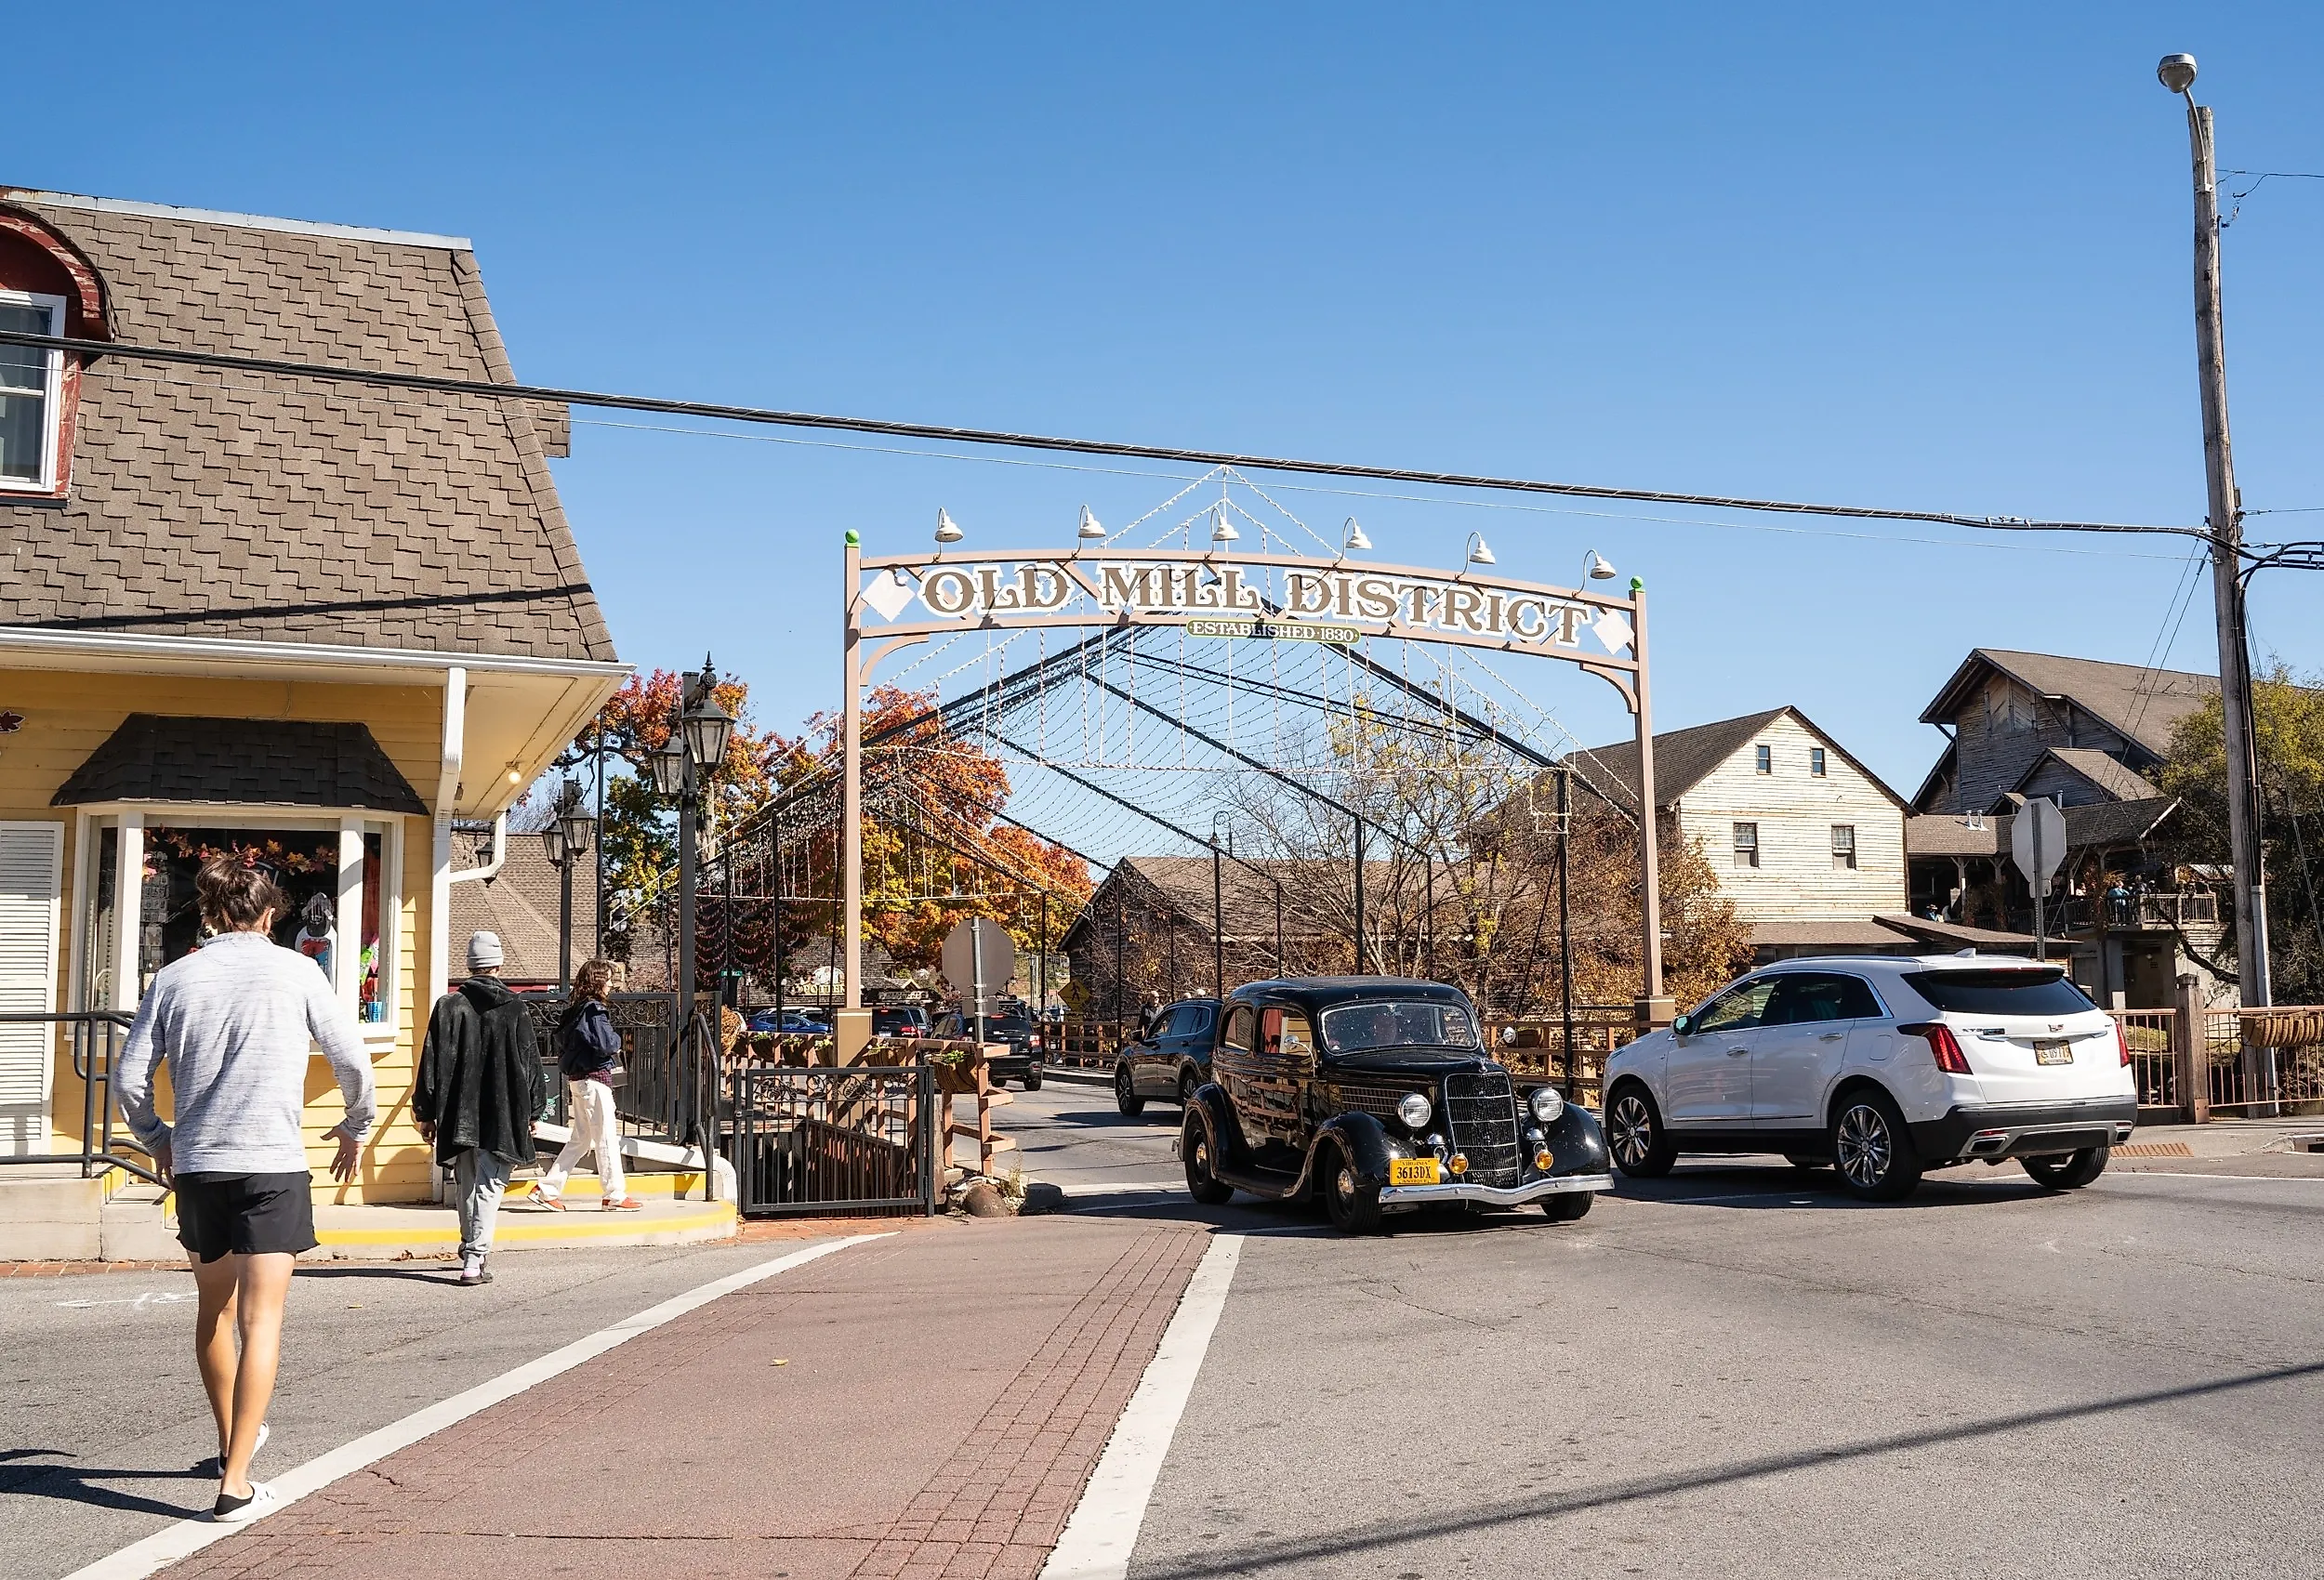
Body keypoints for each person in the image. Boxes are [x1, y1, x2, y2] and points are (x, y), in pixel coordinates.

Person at [114, 853, 373, 1524]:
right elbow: (351, 1058)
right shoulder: (298, 971)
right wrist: (354, 1124)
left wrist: (158, 1138)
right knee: (264, 1322)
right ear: (268, 912)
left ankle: (232, 1440)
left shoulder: (174, 978)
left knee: (215, 1315)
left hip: (200, 1165)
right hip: (270, 1163)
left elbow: (129, 1082)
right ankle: (235, 1479)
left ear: (209, 910)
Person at [414, 931, 545, 1287]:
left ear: (469, 966)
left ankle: (471, 1247)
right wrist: (534, 1110)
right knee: (491, 1183)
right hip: (503, 1110)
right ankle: (474, 1258)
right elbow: (530, 1063)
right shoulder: (515, 1007)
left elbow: (431, 1062)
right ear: (499, 965)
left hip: (459, 1111)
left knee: (467, 1182)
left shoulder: (448, 1006)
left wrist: (425, 1112)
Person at [534, 959, 640, 1213]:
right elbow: (606, 1044)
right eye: (608, 979)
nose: (612, 984)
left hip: (579, 1080)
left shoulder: (576, 1010)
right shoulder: (594, 1011)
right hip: (595, 1080)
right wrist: (617, 1040)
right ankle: (614, 1195)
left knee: (581, 1140)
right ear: (597, 982)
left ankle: (546, 1189)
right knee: (606, 1138)